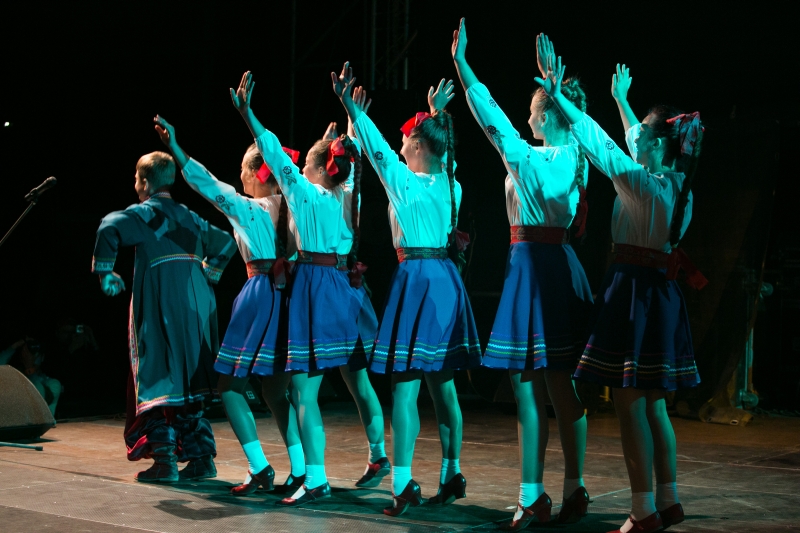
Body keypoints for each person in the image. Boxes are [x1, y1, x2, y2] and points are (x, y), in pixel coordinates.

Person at [537, 46, 705, 533]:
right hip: (659, 294)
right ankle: (667, 500)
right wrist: (623, 101)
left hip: (635, 293)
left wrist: (558, 96)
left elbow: (604, 146)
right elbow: (628, 140)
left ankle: (642, 510)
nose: (635, 136)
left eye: (642, 134)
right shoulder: (676, 184)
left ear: (657, 145)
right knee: (653, 404)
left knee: (630, 402)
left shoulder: (645, 186)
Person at [452, 21, 593, 530]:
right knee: (561, 388)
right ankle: (572, 488)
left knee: (530, 388)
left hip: (534, 270)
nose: (525, 116)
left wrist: (463, 66)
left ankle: (532, 496)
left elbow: (490, 117)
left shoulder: (532, 159)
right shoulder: (576, 157)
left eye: (533, 109)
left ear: (547, 115)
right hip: (557, 268)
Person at [231, 71, 387, 507]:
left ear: (317, 171)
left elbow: (274, 154)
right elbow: (350, 162)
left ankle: (315, 477)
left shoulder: (303, 194)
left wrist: (248, 115)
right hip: (346, 291)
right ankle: (375, 455)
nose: (298, 171)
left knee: (304, 391)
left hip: (318, 293)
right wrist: (350, 118)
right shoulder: (347, 191)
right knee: (356, 380)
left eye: (305, 167)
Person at [333, 62, 481, 517]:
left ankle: (402, 484)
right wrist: (436, 116)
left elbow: (377, 150)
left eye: (406, 141)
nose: (399, 146)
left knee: (404, 388)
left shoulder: (405, 183)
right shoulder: (452, 183)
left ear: (417, 146)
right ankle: (451, 472)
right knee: (443, 386)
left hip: (417, 280)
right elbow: (441, 154)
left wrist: (352, 109)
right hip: (446, 282)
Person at [153, 115, 305, 495]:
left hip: (260, 296)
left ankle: (259, 467)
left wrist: (176, 148)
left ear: (256, 172)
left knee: (230, 388)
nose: (239, 176)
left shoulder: (248, 208)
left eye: (242, 169)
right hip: (291, 298)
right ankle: (301, 470)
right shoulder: (298, 204)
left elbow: (205, 182)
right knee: (276, 393)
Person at [92, 149, 236, 483]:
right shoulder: (189, 216)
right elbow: (226, 242)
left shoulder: (144, 214)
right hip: (197, 306)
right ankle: (201, 459)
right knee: (188, 381)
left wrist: (106, 272)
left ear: (144, 182)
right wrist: (208, 272)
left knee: (157, 372)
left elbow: (108, 226)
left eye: (136, 178)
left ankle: (165, 461)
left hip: (163, 301)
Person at [0, 338, 62, 416]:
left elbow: (39, 398)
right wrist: (13, 347)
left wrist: (29, 368)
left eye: (36, 355)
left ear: (42, 357)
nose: (32, 358)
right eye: (27, 355)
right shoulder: (15, 380)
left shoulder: (53, 384)